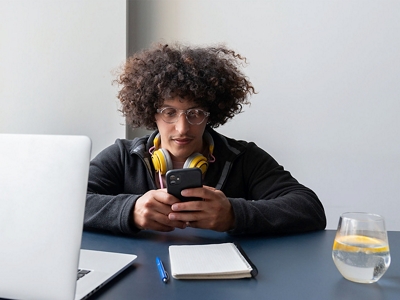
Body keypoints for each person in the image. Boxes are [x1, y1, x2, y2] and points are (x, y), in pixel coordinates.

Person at [84, 43, 326, 236]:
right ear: (151, 113)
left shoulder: (243, 157)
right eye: (169, 112)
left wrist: (234, 214)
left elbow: (308, 208)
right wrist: (130, 210)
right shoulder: (123, 156)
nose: (182, 127)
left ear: (210, 114)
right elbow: (65, 203)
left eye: (195, 113)